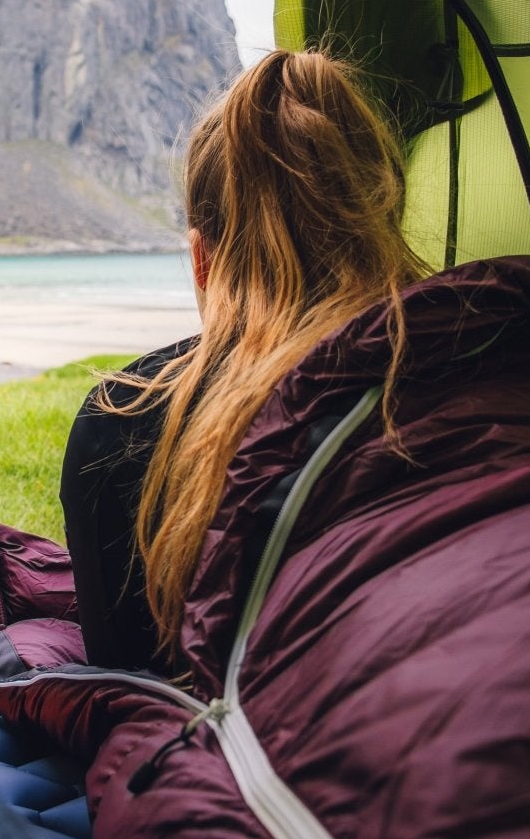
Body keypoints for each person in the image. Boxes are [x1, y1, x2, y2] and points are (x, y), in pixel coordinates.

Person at [61, 45, 423, 670]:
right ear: (382, 218)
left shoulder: (123, 416)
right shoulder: (489, 348)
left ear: (202, 259)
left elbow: (124, 676)